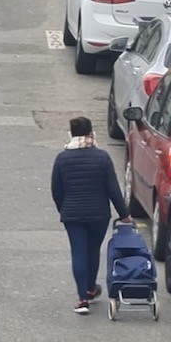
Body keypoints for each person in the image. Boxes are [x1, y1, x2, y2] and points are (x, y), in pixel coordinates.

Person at [50, 117, 130, 313]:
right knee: (93, 250)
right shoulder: (102, 157)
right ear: (91, 132)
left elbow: (56, 190)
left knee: (78, 252)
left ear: (71, 133)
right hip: (98, 214)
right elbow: (113, 188)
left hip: (73, 214)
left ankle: (82, 299)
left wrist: (65, 209)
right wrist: (124, 214)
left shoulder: (62, 159)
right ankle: (91, 287)